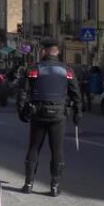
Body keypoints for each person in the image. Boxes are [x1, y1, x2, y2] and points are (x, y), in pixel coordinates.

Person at [19, 38, 82, 197]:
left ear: (44, 51)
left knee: (34, 148)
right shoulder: (67, 71)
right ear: (57, 52)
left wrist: (21, 111)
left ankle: (28, 184)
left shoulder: (34, 69)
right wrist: (78, 113)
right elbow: (76, 93)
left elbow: (23, 92)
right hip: (58, 116)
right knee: (57, 151)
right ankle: (54, 187)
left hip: (38, 114)